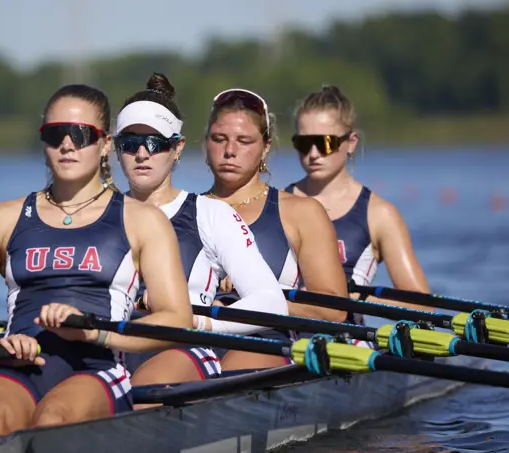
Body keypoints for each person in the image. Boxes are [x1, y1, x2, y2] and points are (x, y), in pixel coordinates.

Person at [0, 84, 193, 435]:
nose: (67, 145)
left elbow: (177, 320)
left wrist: (94, 333)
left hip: (96, 367)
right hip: (14, 366)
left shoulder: (141, 220)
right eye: (55, 134)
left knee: (54, 422)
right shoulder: (2, 218)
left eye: (81, 134)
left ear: (105, 144)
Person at [114, 74, 288, 402]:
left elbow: (272, 302)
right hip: (114, 349)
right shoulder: (97, 215)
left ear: (177, 147)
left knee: (139, 395)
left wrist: (198, 322)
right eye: (129, 142)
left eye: (154, 142)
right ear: (115, 147)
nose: (141, 153)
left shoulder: (210, 214)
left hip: (183, 349)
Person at [204, 87, 350, 371]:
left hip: (267, 339)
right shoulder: (185, 211)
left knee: (224, 375)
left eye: (244, 140)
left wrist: (256, 295)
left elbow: (333, 311)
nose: (230, 151)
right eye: (219, 139)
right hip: (194, 338)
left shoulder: (301, 213)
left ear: (266, 146)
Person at [285, 84, 434, 313]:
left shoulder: (379, 214)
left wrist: (358, 300)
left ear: (351, 142)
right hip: (284, 340)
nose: (313, 154)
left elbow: (422, 307)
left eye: (324, 143)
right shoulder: (278, 203)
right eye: (303, 144)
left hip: (347, 340)